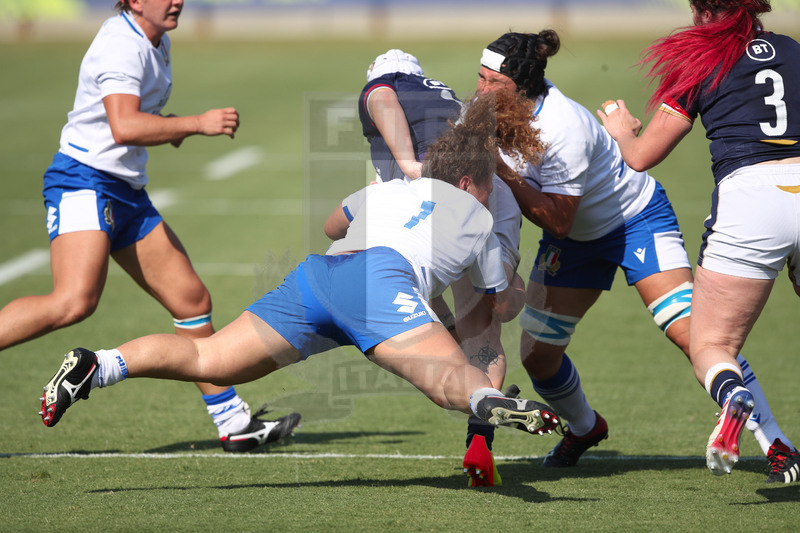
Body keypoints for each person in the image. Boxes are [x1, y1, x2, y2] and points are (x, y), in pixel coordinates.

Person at [38, 97, 562, 473]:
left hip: (321, 275)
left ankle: (98, 364)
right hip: (379, 283)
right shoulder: (479, 219)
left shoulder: (393, 189)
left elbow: (334, 225)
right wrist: (520, 284)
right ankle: (490, 403)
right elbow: (499, 305)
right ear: (472, 180)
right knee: (451, 377)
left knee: (209, 359)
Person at [476, 29, 798, 483]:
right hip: (576, 243)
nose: (481, 89)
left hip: (635, 220)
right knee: (538, 357)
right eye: (480, 77)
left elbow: (557, 220)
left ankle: (778, 445)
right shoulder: (490, 111)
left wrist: (504, 172)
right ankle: (586, 429)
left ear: (522, 84)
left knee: (698, 336)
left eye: (493, 82)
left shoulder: (563, 126)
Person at [1, 0, 300, 452]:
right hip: (85, 183)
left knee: (191, 299)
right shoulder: (122, 44)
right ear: (135, 1)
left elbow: (125, 119)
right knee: (73, 301)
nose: (176, 0)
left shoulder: (155, 40)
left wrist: (168, 127)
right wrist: (195, 123)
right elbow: (122, 126)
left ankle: (233, 421)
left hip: (124, 192)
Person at [599, 0, 800, 482]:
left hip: (752, 198)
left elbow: (644, 156)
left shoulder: (701, 58)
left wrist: (622, 132)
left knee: (711, 345)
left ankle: (733, 397)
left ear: (701, 9)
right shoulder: (792, 49)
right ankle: (780, 447)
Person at [358, 50, 533, 486]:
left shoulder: (391, 85)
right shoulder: (446, 99)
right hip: (489, 199)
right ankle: (480, 441)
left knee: (417, 295)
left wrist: (407, 165)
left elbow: (379, 96)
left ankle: (466, 367)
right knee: (491, 323)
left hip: (451, 202)